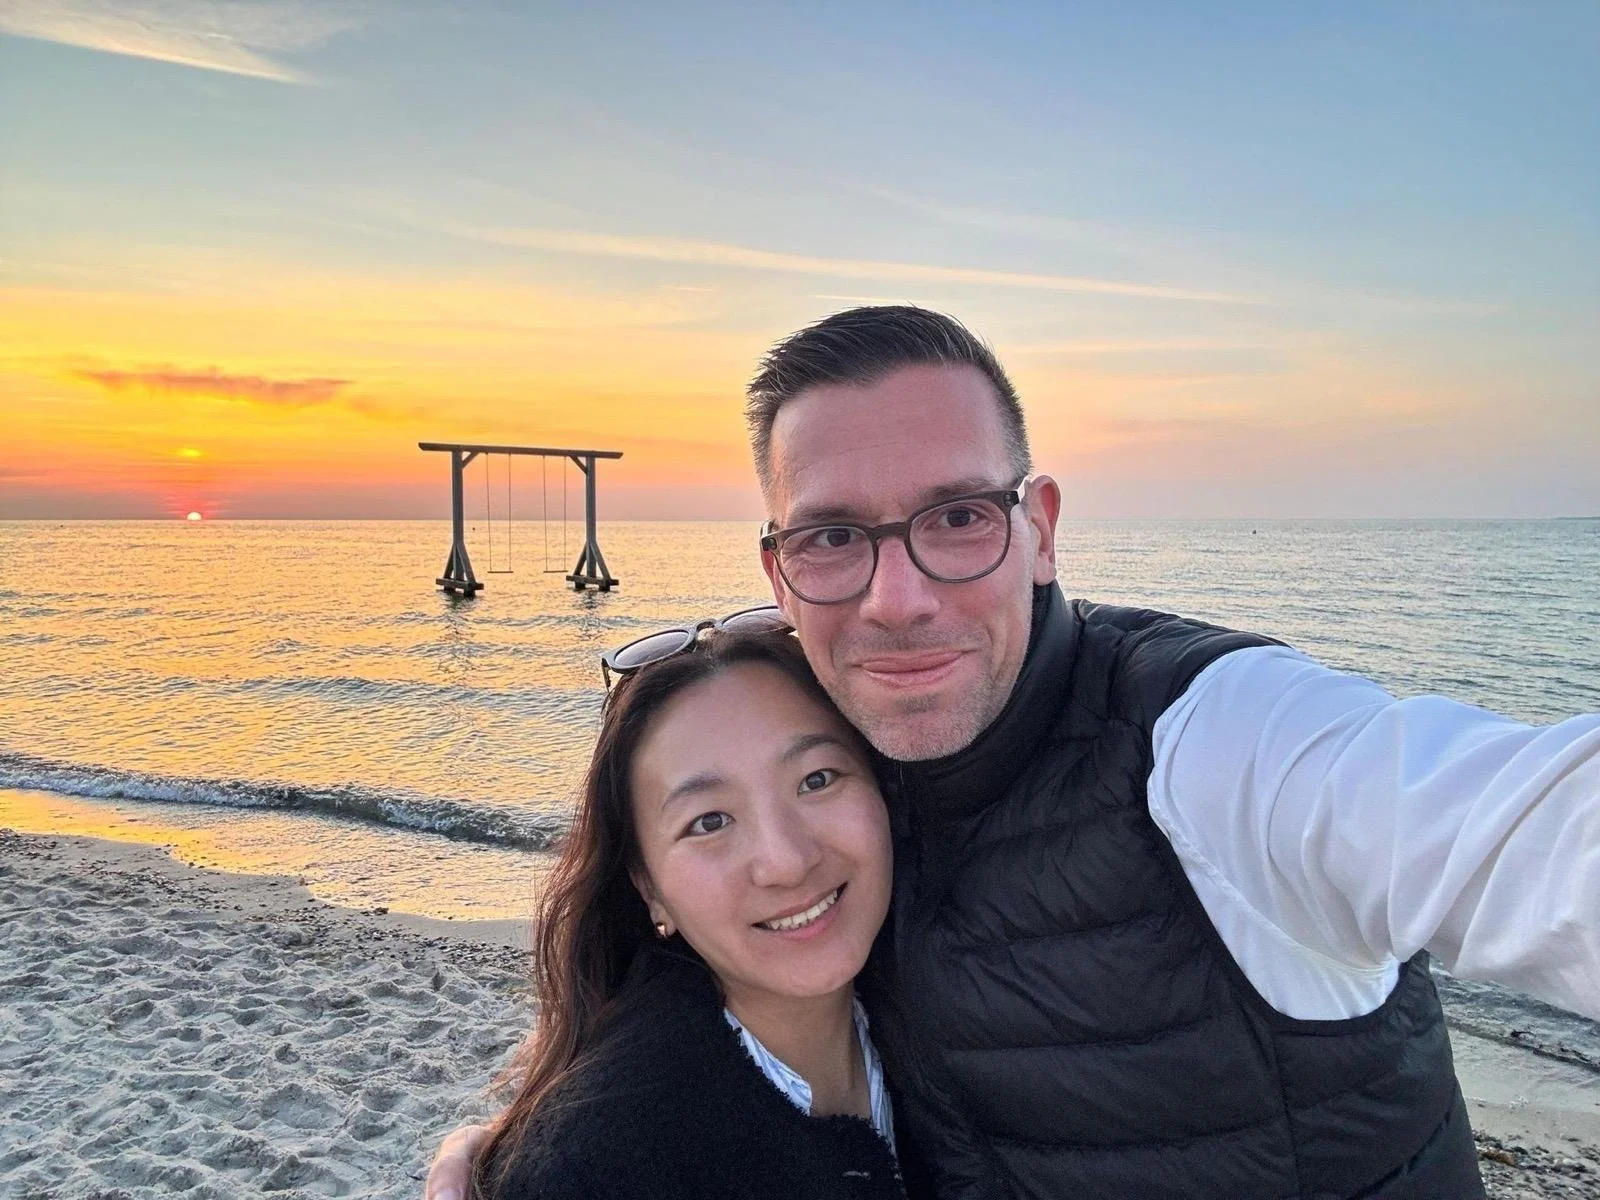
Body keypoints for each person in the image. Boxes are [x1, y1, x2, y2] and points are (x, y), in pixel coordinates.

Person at [430, 306, 1600, 1200]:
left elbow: (1527, 830)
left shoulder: (1213, 741)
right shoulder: (843, 765)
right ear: (780, 573)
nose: (897, 600)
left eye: (956, 518)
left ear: (1038, 529)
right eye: (834, 536)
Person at [470, 620, 913, 1200]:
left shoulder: (955, 998)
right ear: (650, 889)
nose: (785, 862)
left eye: (817, 779)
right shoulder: (606, 1167)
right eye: (710, 821)